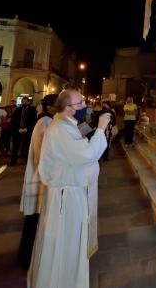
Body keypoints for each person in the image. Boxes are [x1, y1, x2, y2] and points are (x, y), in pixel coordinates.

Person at [28, 89, 110, 288]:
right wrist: (100, 129)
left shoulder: (67, 126)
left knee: (72, 244)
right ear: (68, 108)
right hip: (66, 198)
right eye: (81, 103)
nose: (85, 106)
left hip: (71, 194)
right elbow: (87, 154)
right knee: (66, 244)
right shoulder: (59, 129)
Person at [18, 93, 57, 269]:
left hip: (43, 178)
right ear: (50, 108)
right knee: (34, 221)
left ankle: (28, 257)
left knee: (35, 220)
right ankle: (26, 259)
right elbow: (44, 154)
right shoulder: (45, 123)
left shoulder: (48, 122)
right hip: (41, 179)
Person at [10, 96, 37, 165]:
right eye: (23, 102)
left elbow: (34, 121)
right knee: (15, 147)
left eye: (26, 102)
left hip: (27, 131)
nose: (24, 103)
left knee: (26, 147)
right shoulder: (18, 110)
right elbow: (14, 120)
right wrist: (18, 128)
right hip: (18, 130)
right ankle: (13, 161)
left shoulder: (32, 110)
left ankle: (26, 161)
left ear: (28, 102)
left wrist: (27, 128)